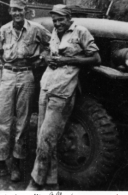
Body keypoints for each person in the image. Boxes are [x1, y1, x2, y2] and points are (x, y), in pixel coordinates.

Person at [26, 4, 101, 190]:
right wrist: (46, 58)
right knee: (42, 136)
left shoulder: (81, 32)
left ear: (69, 18)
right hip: (47, 87)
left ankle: (35, 182)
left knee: (47, 137)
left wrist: (68, 60)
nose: (58, 23)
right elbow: (50, 53)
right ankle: (51, 184)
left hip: (64, 91)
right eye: (55, 20)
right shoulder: (54, 32)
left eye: (61, 20)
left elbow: (96, 59)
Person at [0, 0, 51, 182]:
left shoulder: (36, 29)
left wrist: (42, 58)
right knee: (0, 120)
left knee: (22, 122)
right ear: (10, 11)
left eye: (20, 10)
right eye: (13, 10)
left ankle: (17, 165)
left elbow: (52, 43)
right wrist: (8, 66)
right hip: (8, 75)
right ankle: (0, 163)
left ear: (25, 11)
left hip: (27, 75)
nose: (17, 13)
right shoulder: (4, 30)